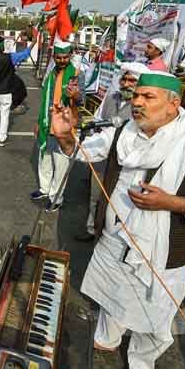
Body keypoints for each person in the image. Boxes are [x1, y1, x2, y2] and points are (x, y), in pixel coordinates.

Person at [50, 72, 185, 369]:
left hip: (160, 252)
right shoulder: (125, 130)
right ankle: (107, 339)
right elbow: (86, 151)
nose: (137, 102)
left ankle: (141, 365)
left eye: (148, 97)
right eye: (136, 96)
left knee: (154, 317)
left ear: (173, 104)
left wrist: (172, 203)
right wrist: (65, 136)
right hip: (113, 240)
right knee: (110, 296)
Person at [77, 62, 150, 243]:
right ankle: (92, 229)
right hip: (102, 157)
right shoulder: (111, 98)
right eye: (124, 79)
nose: (126, 83)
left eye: (131, 80)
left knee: (116, 200)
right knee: (95, 196)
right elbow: (97, 119)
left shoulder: (143, 106)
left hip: (124, 164)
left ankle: (111, 235)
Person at [32, 39, 80, 211]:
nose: (61, 61)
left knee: (60, 165)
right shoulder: (51, 72)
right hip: (47, 123)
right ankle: (44, 189)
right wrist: (38, 122)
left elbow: (82, 101)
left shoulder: (76, 73)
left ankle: (56, 197)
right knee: (44, 157)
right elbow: (45, 99)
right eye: (58, 58)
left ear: (70, 56)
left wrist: (75, 96)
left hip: (64, 127)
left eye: (65, 57)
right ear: (54, 57)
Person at [0, 31, 36, 148]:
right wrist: (33, 43)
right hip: (6, 92)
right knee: (5, 115)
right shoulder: (10, 57)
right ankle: (2, 139)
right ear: (1, 46)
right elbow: (25, 54)